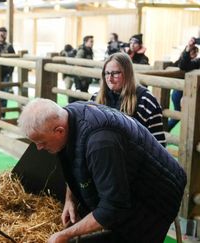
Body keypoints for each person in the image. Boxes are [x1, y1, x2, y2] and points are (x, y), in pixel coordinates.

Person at [18, 98, 186, 243]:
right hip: (128, 181)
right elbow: (74, 162)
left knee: (130, 233)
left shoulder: (100, 143)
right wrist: (70, 200)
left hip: (156, 196)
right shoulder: (68, 115)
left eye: (41, 142)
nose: (38, 148)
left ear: (59, 131)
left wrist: (65, 234)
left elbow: (114, 207)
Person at [90, 52, 166, 146]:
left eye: (115, 73)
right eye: (107, 73)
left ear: (127, 73)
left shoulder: (146, 100)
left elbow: (159, 144)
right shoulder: (96, 98)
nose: (109, 78)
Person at [168, 39, 199, 131]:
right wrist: (188, 49)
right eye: (192, 51)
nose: (194, 53)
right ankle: (164, 131)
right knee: (179, 115)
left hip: (188, 93)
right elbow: (183, 66)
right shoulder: (187, 61)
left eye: (195, 52)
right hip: (181, 92)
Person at [71, 35, 94, 103]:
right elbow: (77, 63)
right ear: (85, 42)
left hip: (87, 76)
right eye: (91, 41)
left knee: (85, 93)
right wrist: (82, 77)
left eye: (93, 41)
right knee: (80, 95)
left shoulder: (90, 50)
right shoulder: (82, 50)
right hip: (80, 77)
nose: (92, 43)